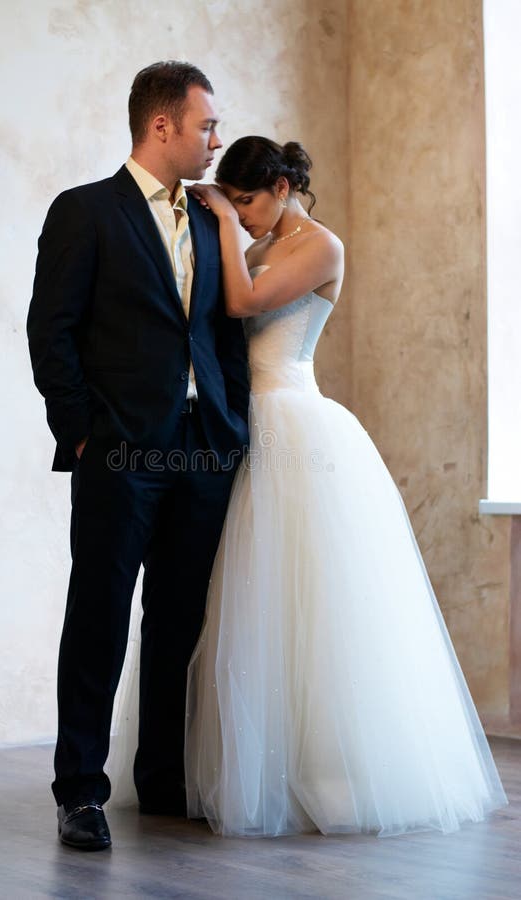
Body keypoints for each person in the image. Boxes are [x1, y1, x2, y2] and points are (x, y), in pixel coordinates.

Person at [180, 136, 507, 836]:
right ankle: (259, 764)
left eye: (247, 200)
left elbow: (241, 304)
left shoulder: (320, 246)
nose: (243, 214)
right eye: (235, 202)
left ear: (278, 186)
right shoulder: (259, 238)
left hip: (296, 423)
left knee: (314, 599)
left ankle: (326, 774)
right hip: (244, 425)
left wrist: (225, 222)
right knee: (256, 600)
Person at [26, 62, 249, 851]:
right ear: (163, 127)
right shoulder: (86, 212)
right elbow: (49, 331)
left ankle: (162, 779)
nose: (216, 138)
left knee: (180, 622)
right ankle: (81, 791)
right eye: (206, 125)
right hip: (118, 450)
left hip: (202, 451)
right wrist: (82, 431)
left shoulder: (211, 221)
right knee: (100, 615)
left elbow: (224, 333)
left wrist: (233, 426)